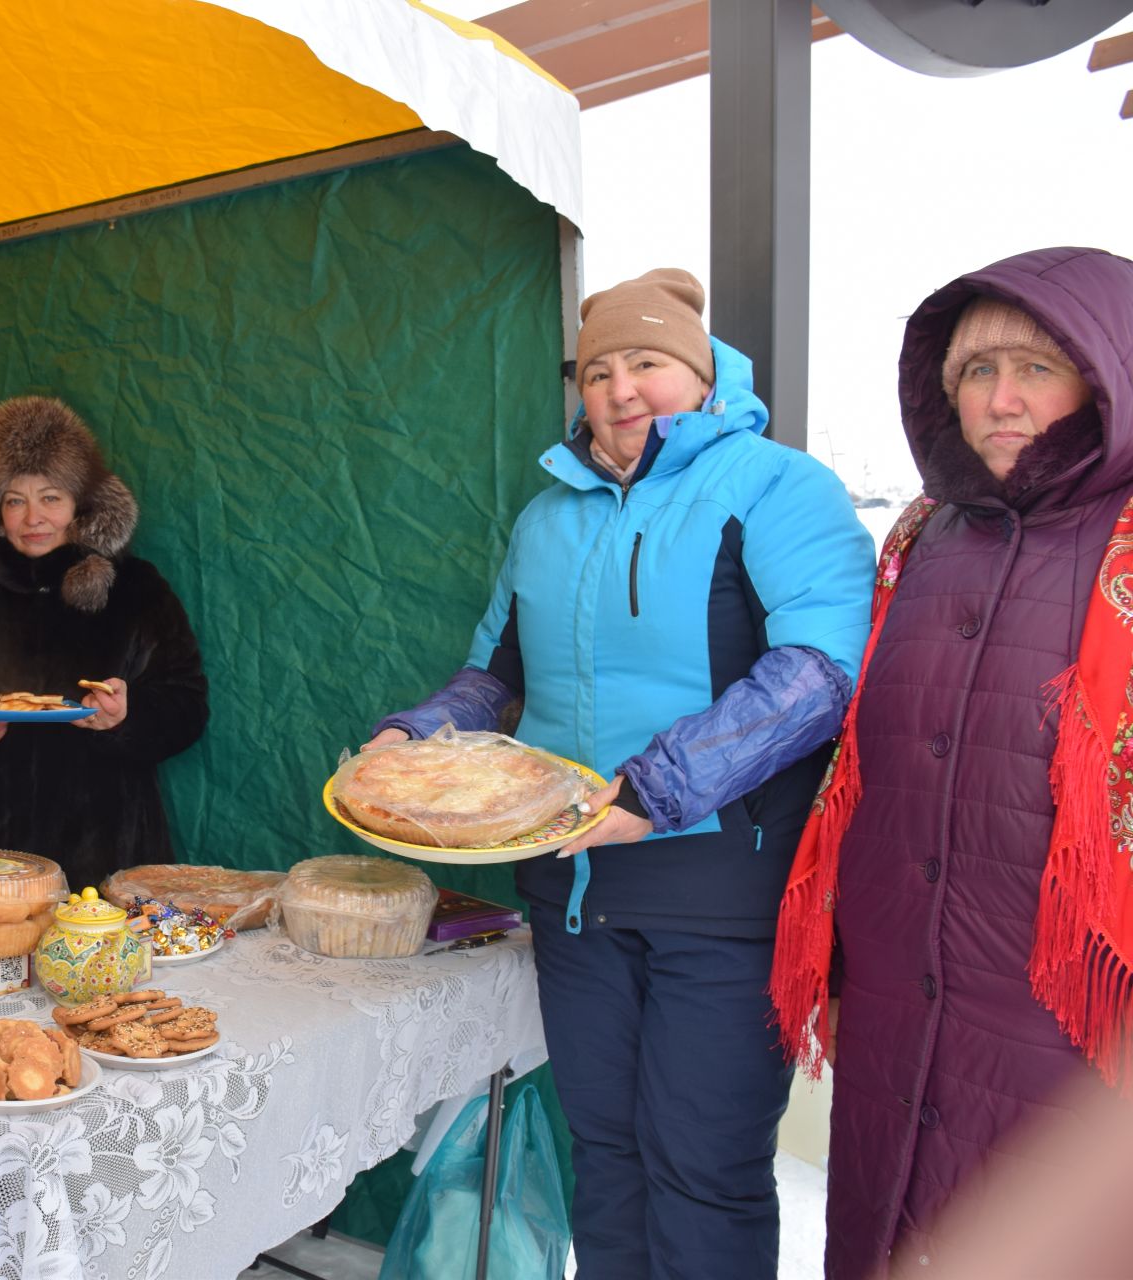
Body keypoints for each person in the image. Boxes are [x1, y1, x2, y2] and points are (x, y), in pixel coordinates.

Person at [368, 270, 874, 1280]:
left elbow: (819, 672)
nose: (620, 386)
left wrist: (655, 791)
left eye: (647, 361)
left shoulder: (778, 485)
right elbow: (493, 676)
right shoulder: (545, 517)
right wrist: (416, 735)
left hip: (720, 892)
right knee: (607, 1153)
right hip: (573, 895)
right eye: (598, 368)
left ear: (700, 369)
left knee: (703, 1164)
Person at [770, 246, 1133, 1279]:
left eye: (1036, 367)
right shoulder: (919, 540)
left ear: (1109, 372)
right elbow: (865, 771)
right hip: (894, 994)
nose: (1003, 398)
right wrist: (841, 962)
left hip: (1065, 1019)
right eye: (976, 371)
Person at [0, 395, 208, 890]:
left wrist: (127, 719)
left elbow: (187, 703)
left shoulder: (135, 588)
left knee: (98, 965)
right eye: (16, 500)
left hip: (106, 851)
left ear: (81, 503)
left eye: (51, 497)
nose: (33, 517)